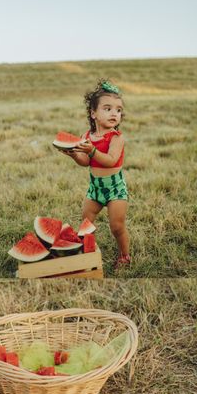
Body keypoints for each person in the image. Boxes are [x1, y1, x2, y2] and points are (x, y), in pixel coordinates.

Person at [63, 80, 130, 267]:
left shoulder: (117, 137)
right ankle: (88, 250)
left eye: (118, 110)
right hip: (95, 188)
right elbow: (86, 162)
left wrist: (91, 150)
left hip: (115, 189)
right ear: (93, 113)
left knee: (117, 227)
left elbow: (110, 160)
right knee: (86, 222)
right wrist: (73, 154)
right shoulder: (87, 137)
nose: (114, 113)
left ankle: (125, 255)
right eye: (107, 109)